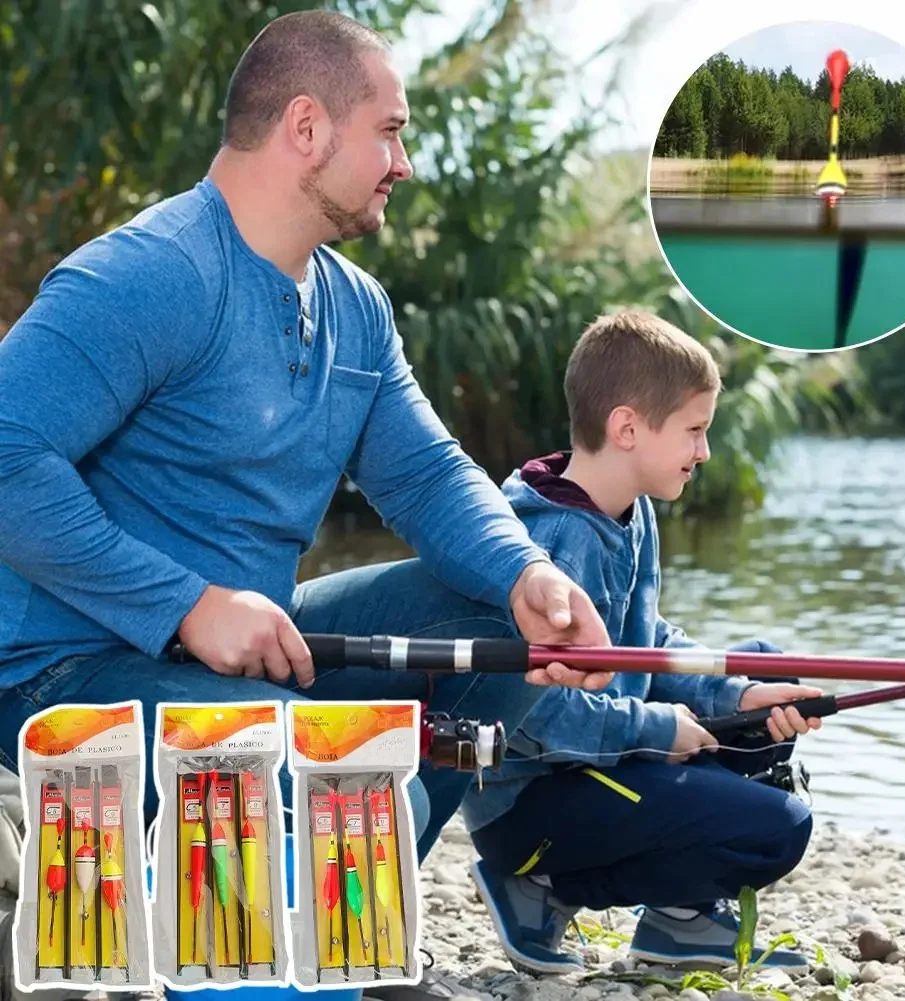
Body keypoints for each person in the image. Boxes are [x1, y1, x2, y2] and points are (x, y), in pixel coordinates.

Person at [0, 7, 615, 974]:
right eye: (390, 130)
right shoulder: (149, 273)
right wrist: (184, 606)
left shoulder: (357, 309)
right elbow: (5, 453)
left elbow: (425, 471)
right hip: (64, 674)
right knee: (362, 788)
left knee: (490, 619)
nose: (403, 162)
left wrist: (524, 575)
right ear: (305, 128)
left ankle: (329, 940)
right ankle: (289, 926)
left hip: (253, 656)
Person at [462, 311, 823, 974]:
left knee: (767, 668)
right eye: (694, 429)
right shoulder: (560, 540)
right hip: (531, 797)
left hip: (598, 758)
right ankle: (538, 887)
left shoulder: (630, 508)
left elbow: (645, 643)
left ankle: (677, 920)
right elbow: (537, 717)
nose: (704, 450)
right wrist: (659, 728)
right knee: (780, 828)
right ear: (626, 427)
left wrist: (737, 693)